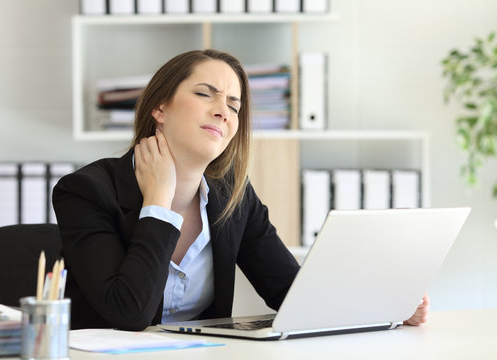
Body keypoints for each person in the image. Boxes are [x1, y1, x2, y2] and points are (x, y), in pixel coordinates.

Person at [53, 49, 429, 331]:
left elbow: (292, 294)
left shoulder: (233, 195)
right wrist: (158, 201)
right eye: (206, 94)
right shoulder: (86, 191)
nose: (224, 111)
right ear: (160, 108)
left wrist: (385, 307)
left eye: (234, 104)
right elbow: (128, 313)